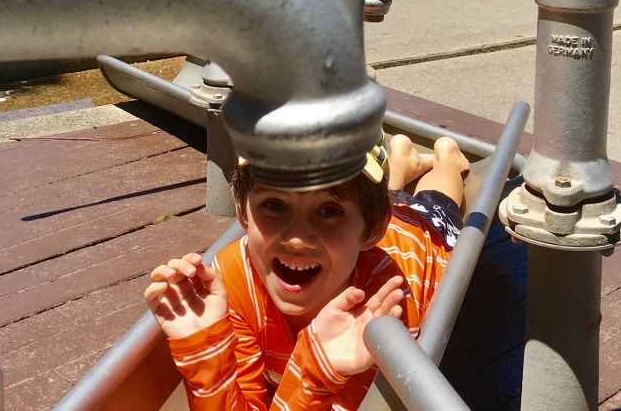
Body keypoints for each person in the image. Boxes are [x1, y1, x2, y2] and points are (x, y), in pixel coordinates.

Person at [144, 134, 469, 410]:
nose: (297, 239)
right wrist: (205, 349)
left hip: (416, 237)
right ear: (243, 213)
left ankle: (447, 160)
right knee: (367, 196)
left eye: (329, 211)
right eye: (275, 205)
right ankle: (399, 162)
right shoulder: (231, 279)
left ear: (371, 229)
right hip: (366, 222)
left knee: (434, 203)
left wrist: (316, 368)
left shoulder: (381, 311)